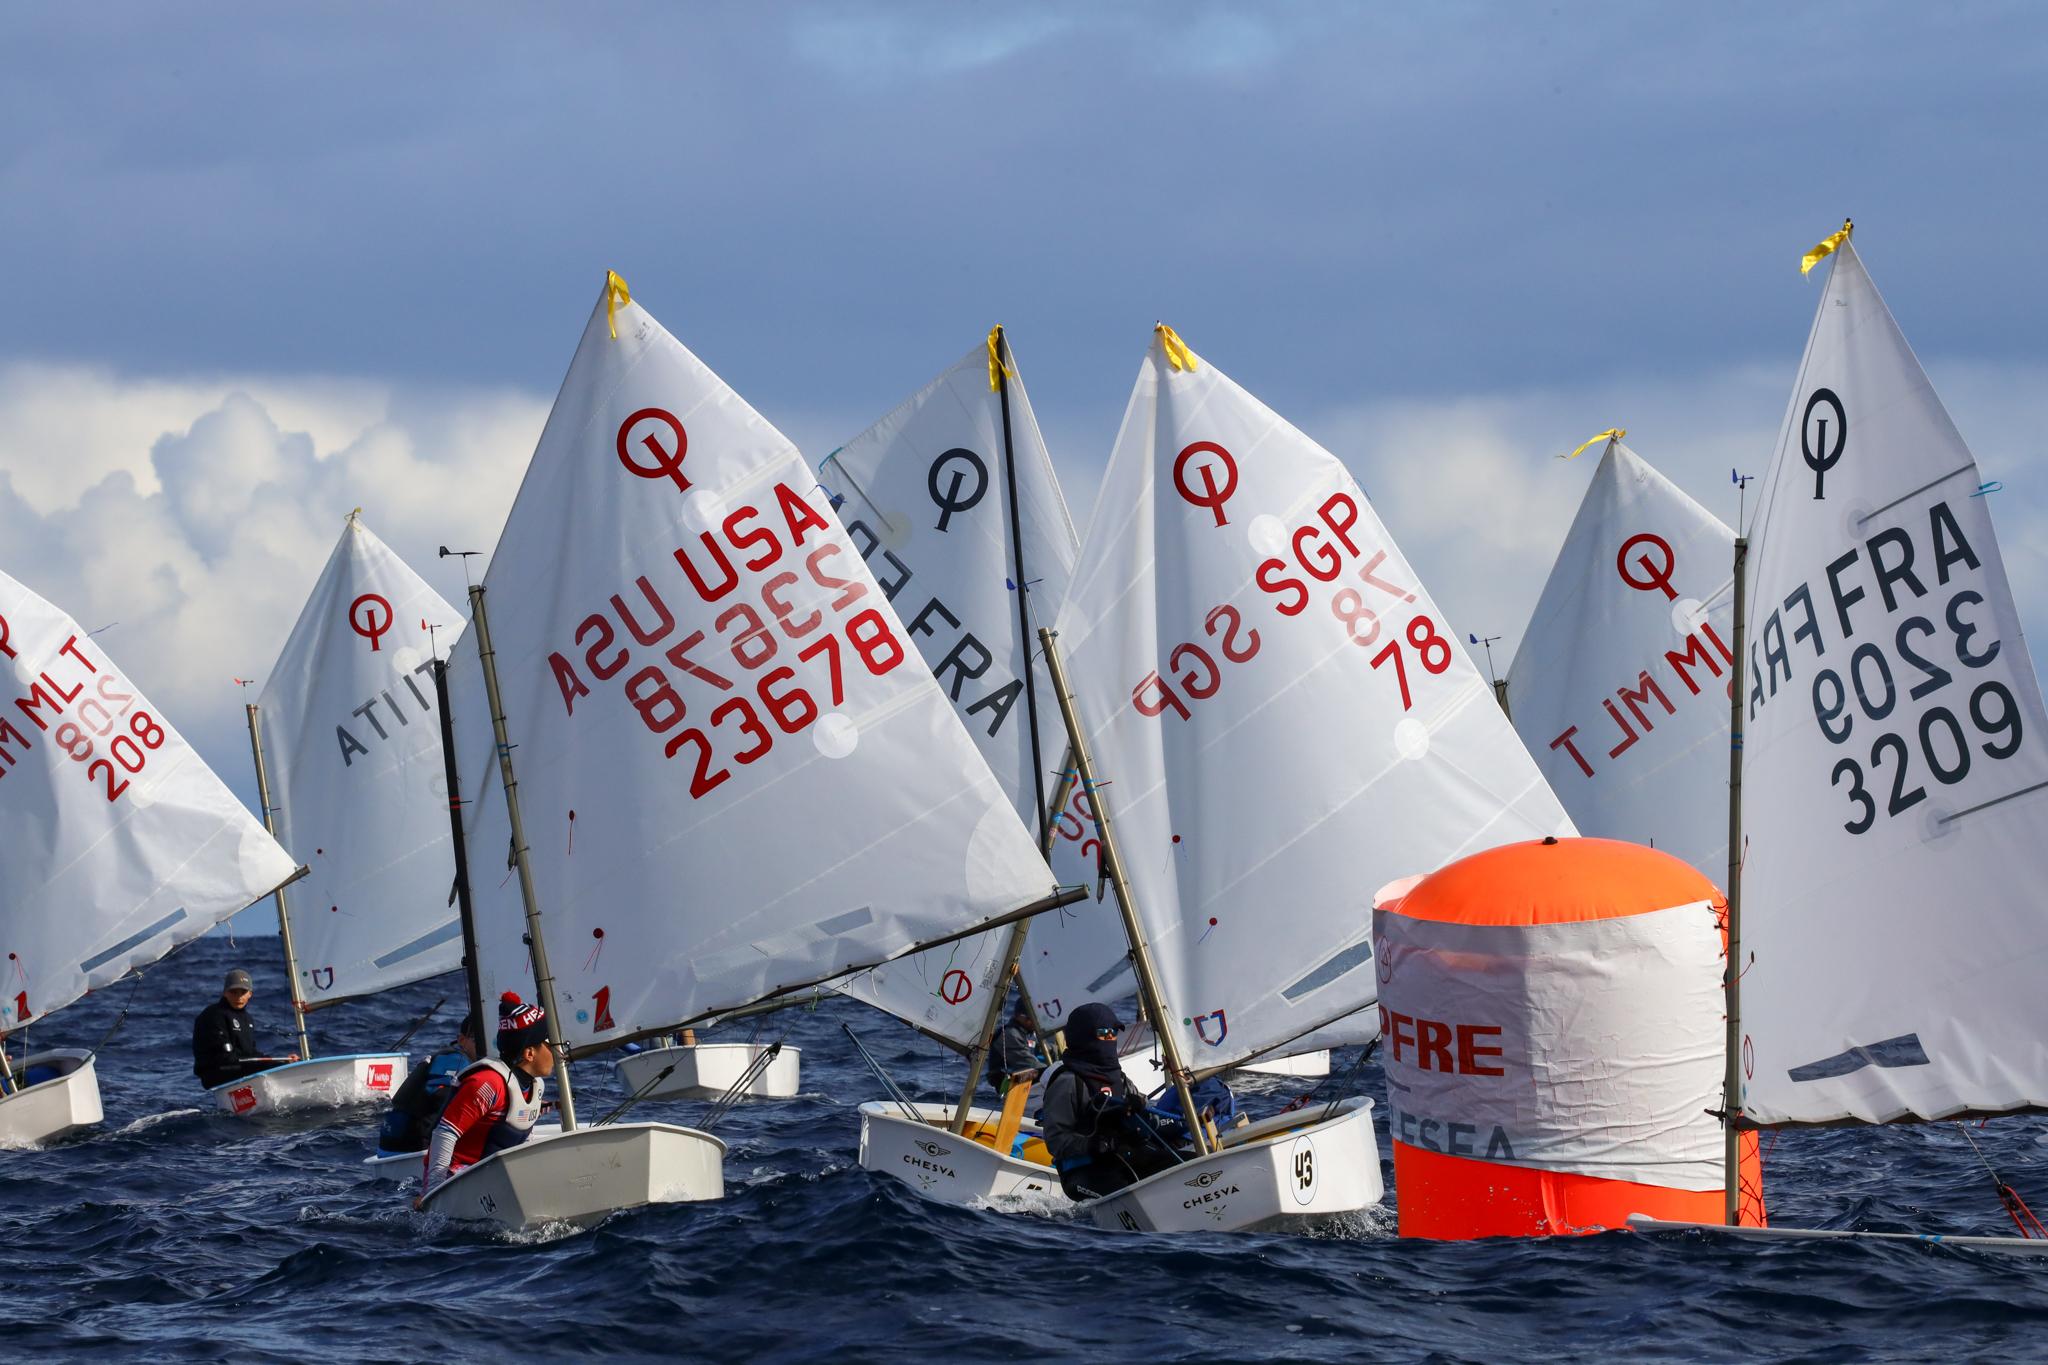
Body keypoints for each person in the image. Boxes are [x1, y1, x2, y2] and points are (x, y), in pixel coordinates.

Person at [415, 993, 553, 1206]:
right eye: (550, 1045)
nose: (558, 1051)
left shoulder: (535, 1086)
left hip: (494, 1177)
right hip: (456, 1175)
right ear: (529, 1054)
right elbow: (445, 1133)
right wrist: (434, 1193)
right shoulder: (488, 1084)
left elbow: (523, 1138)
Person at [1037, 1002, 1181, 1201]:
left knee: (1188, 1166)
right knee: (1124, 1193)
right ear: (1084, 1035)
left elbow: (1151, 1125)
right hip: (1083, 1170)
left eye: (1114, 1032)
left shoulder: (1120, 1078)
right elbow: (1055, 1141)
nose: (1111, 1037)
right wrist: (1094, 1144)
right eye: (1104, 1032)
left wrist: (1140, 1110)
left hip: (1124, 1159)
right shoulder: (1068, 1081)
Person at [377, 1013, 480, 1155]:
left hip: (394, 1143)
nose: (485, 1047)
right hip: (407, 1146)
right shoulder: (456, 1058)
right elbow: (438, 1094)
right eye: (477, 1040)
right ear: (462, 1040)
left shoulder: (460, 1059)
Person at [191, 969, 298, 1089]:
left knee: (283, 1067)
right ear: (225, 993)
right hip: (217, 1073)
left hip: (239, 1069)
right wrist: (270, 1066)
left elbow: (251, 1054)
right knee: (267, 1068)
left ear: (250, 994)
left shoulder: (247, 1019)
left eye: (243, 992)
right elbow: (224, 1055)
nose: (239, 997)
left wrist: (283, 1062)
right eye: (233, 992)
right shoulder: (214, 1015)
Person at [986, 1000, 1043, 1096]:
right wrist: (1054, 1071)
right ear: (1017, 1017)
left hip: (1026, 1077)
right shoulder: (1011, 1034)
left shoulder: (1029, 1032)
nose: (1035, 1021)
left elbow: (1044, 1048)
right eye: (1030, 1018)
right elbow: (1028, 1063)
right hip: (1007, 1083)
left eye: (1037, 1017)